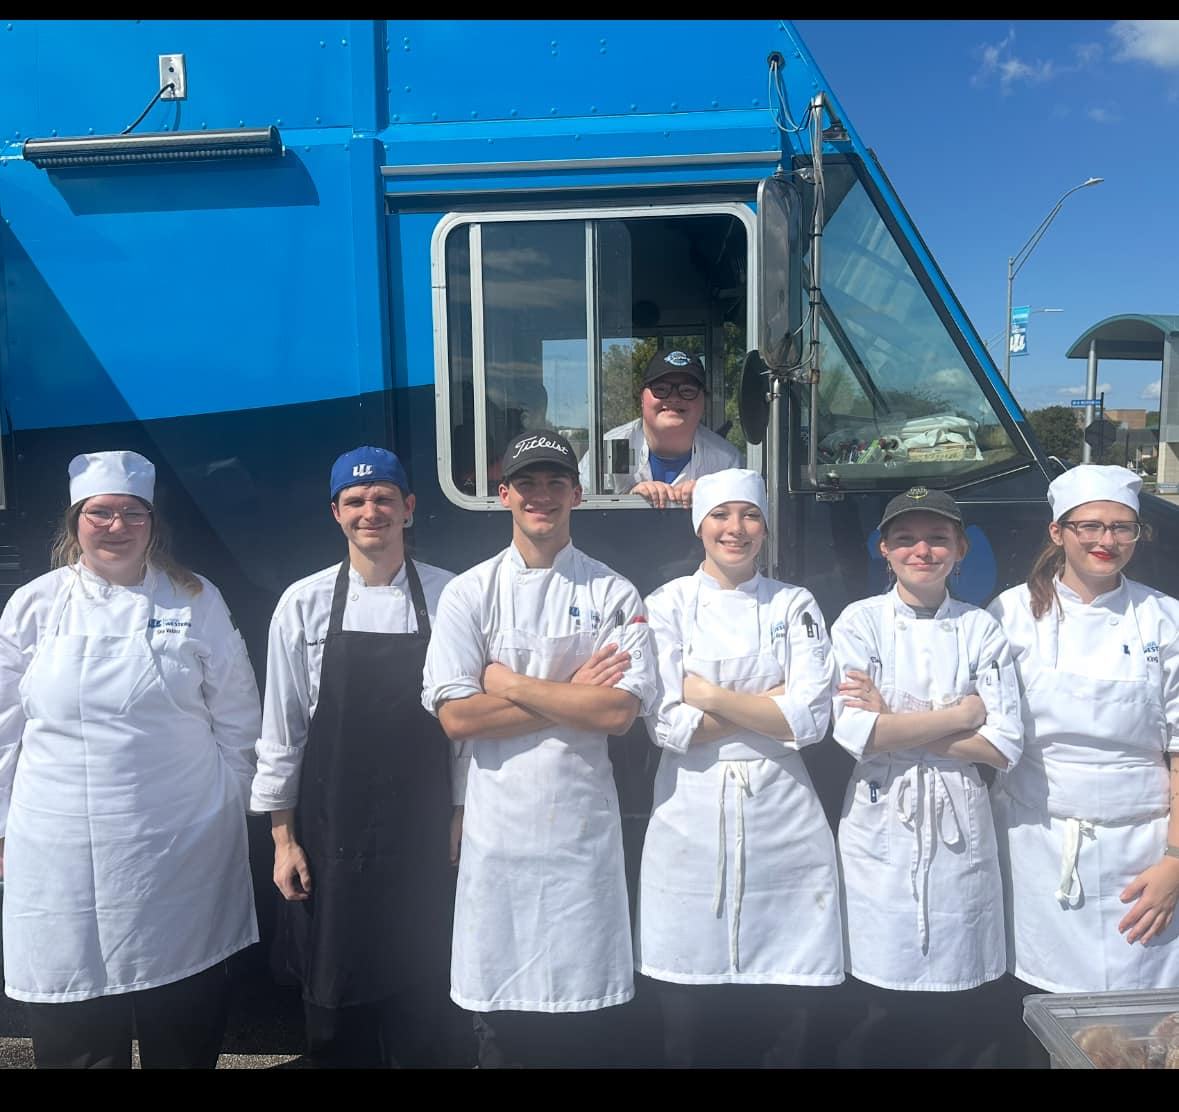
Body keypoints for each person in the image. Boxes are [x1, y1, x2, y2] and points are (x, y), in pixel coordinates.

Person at [0, 450, 260, 1069]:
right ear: (76, 521)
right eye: (101, 513)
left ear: (152, 521)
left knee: (183, 1007)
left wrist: (229, 809)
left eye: (130, 513)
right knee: (75, 1011)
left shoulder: (194, 598)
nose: (116, 525)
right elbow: (4, 728)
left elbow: (238, 714)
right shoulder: (34, 607)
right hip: (58, 848)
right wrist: (2, 825)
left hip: (178, 845)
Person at [421, 429, 657, 1068]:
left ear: (577, 494)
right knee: (501, 1022)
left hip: (579, 838)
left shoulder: (613, 592)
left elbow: (616, 711)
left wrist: (510, 683)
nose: (542, 496)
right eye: (528, 484)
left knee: (585, 1021)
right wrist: (567, 690)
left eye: (556, 483)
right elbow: (457, 717)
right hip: (499, 837)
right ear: (504, 495)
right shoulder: (468, 594)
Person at [250, 446, 466, 1068]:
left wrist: (460, 810)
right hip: (332, 836)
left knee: (426, 989)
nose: (370, 512)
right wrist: (283, 840)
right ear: (336, 514)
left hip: (427, 831)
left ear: (409, 508)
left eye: (384, 499)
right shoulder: (303, 604)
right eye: (356, 501)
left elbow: (466, 727)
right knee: (336, 1001)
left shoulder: (452, 597)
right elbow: (281, 732)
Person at [636, 468, 843, 1068]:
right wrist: (766, 705)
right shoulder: (667, 604)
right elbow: (668, 725)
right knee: (691, 1004)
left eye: (750, 515)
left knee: (785, 999)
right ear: (699, 525)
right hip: (690, 818)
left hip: (785, 819)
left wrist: (711, 695)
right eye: (722, 516)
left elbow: (810, 721)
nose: (737, 529)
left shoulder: (794, 603)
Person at [830, 486, 1022, 1068]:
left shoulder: (981, 629)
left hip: (958, 811)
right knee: (875, 992)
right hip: (881, 810)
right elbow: (853, 733)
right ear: (883, 548)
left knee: (959, 999)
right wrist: (961, 714)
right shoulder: (858, 622)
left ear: (961, 549)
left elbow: (1002, 745)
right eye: (908, 539)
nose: (923, 550)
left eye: (938, 539)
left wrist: (893, 716)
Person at [988, 465, 1179, 1000]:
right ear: (1058, 532)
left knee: (1141, 1018)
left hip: (1143, 856)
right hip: (1034, 845)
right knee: (1042, 1006)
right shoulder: (1010, 613)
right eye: (1089, 526)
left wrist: (1175, 863)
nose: (1107, 541)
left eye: (1123, 528)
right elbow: (980, 715)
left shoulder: (1166, 618)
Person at [581, 348, 742, 508]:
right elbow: (577, 510)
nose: (673, 398)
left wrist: (712, 500)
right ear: (642, 398)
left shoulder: (726, 460)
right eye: (661, 389)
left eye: (687, 391)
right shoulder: (610, 447)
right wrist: (628, 499)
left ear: (704, 401)